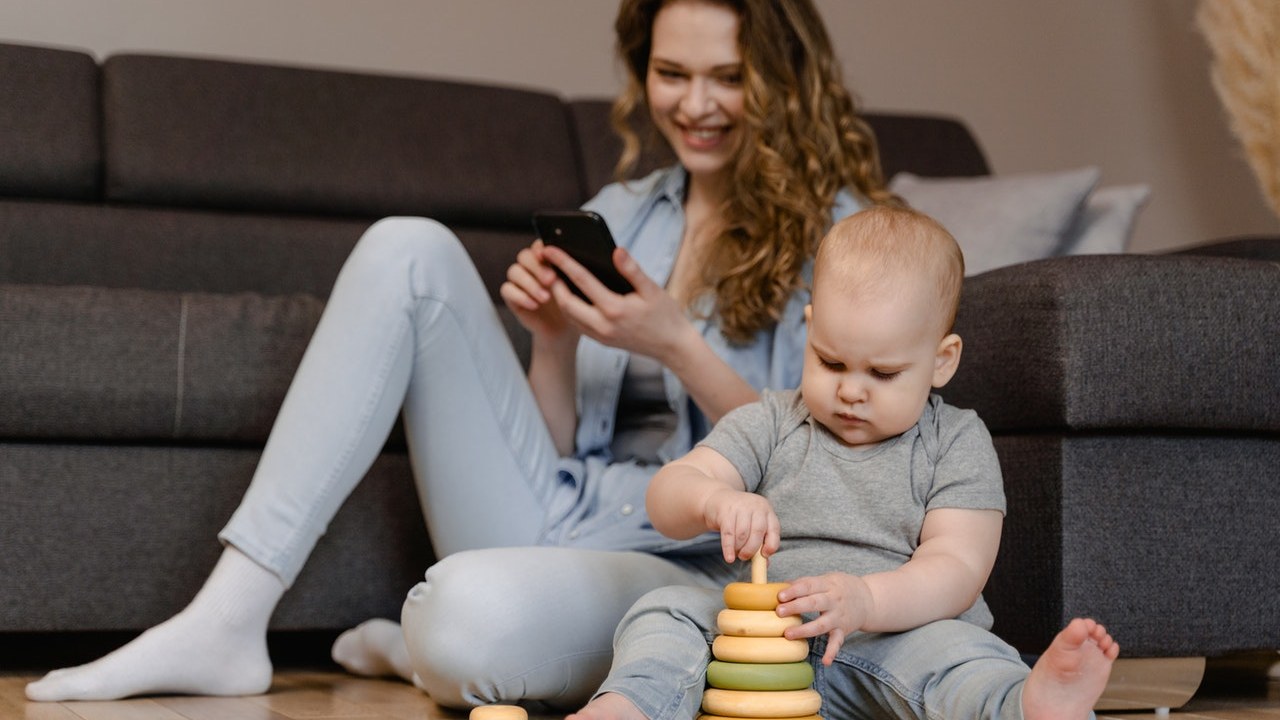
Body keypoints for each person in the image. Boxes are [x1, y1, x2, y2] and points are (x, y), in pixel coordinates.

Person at [25, 0, 897, 709]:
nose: (694, 105)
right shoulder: (626, 211)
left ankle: (420, 641)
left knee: (465, 626)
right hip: (562, 509)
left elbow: (821, 473)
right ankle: (228, 614)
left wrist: (671, 342)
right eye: (671, 74)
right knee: (408, 248)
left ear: (782, 81)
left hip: (687, 558)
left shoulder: (847, 232)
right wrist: (553, 343)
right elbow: (552, 448)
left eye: (727, 78)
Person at [568, 206, 1120, 720]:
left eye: (882, 374)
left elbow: (957, 567)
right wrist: (714, 499)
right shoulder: (774, 421)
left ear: (941, 361)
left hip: (894, 637)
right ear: (810, 331)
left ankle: (1025, 706)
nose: (852, 391)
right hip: (759, 645)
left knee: (963, 655)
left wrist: (868, 600)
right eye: (831, 361)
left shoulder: (955, 440)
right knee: (666, 611)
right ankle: (630, 706)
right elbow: (669, 496)